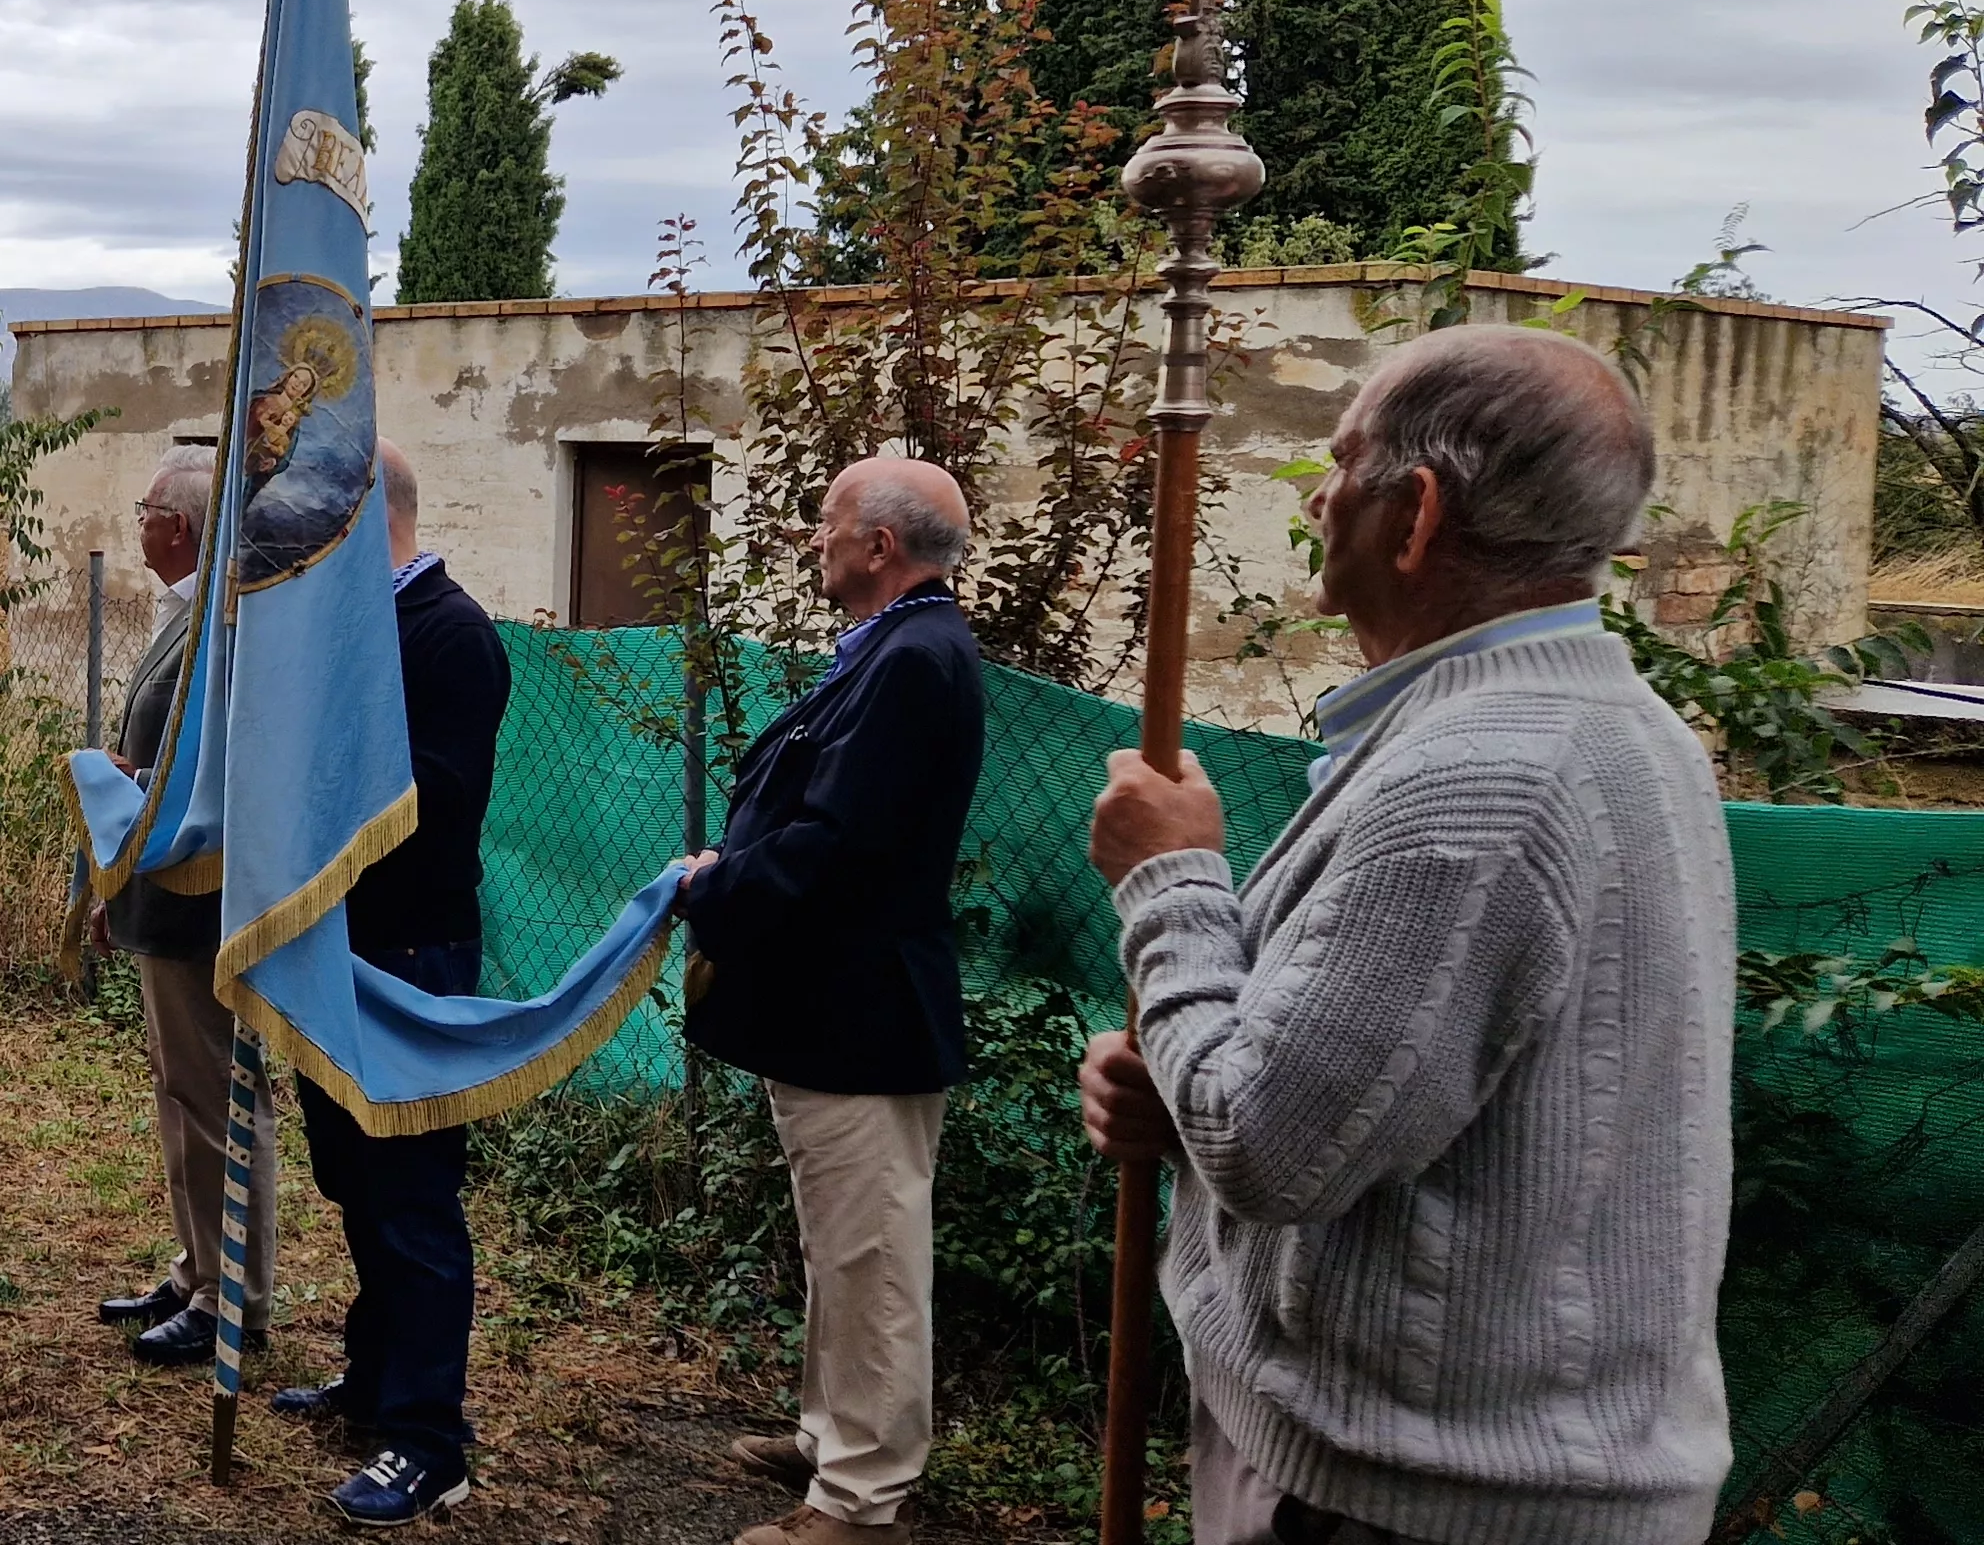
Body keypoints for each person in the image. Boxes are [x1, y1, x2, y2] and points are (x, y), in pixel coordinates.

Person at [1078, 326, 1735, 1545]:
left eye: (1341, 463)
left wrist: (1169, 880)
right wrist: (1184, 1091)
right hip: (1496, 1472)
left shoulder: (1481, 775)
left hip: (1413, 1498)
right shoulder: (1624, 728)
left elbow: (1271, 1149)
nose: (1319, 499)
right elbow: (1400, 1097)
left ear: (1416, 513)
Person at [662, 455, 986, 1545]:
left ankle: (859, 1499)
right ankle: (830, 1435)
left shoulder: (915, 662)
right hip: (833, 1008)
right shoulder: (894, 650)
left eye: (828, 522)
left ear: (880, 546)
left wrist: (717, 887)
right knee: (839, 1246)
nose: (816, 538)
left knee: (871, 1256)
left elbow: (838, 846)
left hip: (863, 1014)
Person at [258, 440, 512, 1529]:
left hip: (411, 955)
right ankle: (373, 1381)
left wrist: (309, 770)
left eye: (323, 517)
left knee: (410, 1199)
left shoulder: (451, 634)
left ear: (365, 515)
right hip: (337, 948)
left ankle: (429, 1440)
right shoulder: (358, 631)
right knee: (355, 1183)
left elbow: (437, 800)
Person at [84, 445, 272, 1368]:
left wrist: (134, 779)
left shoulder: (223, 625)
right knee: (179, 1092)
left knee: (216, 1101)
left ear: (182, 526)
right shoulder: (182, 612)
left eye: (147, 511)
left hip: (203, 901)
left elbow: (225, 768)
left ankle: (234, 1294)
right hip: (159, 893)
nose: (139, 525)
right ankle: (197, 1267)